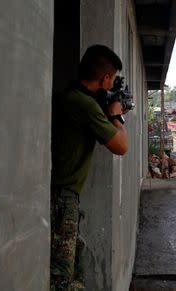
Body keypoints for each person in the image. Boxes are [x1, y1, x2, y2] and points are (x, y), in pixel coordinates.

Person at [50, 44, 128, 291]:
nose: (113, 83)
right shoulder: (84, 104)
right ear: (105, 78)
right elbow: (121, 146)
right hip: (62, 197)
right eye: (113, 78)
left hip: (63, 196)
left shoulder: (74, 96)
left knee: (75, 265)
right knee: (62, 275)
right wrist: (116, 115)